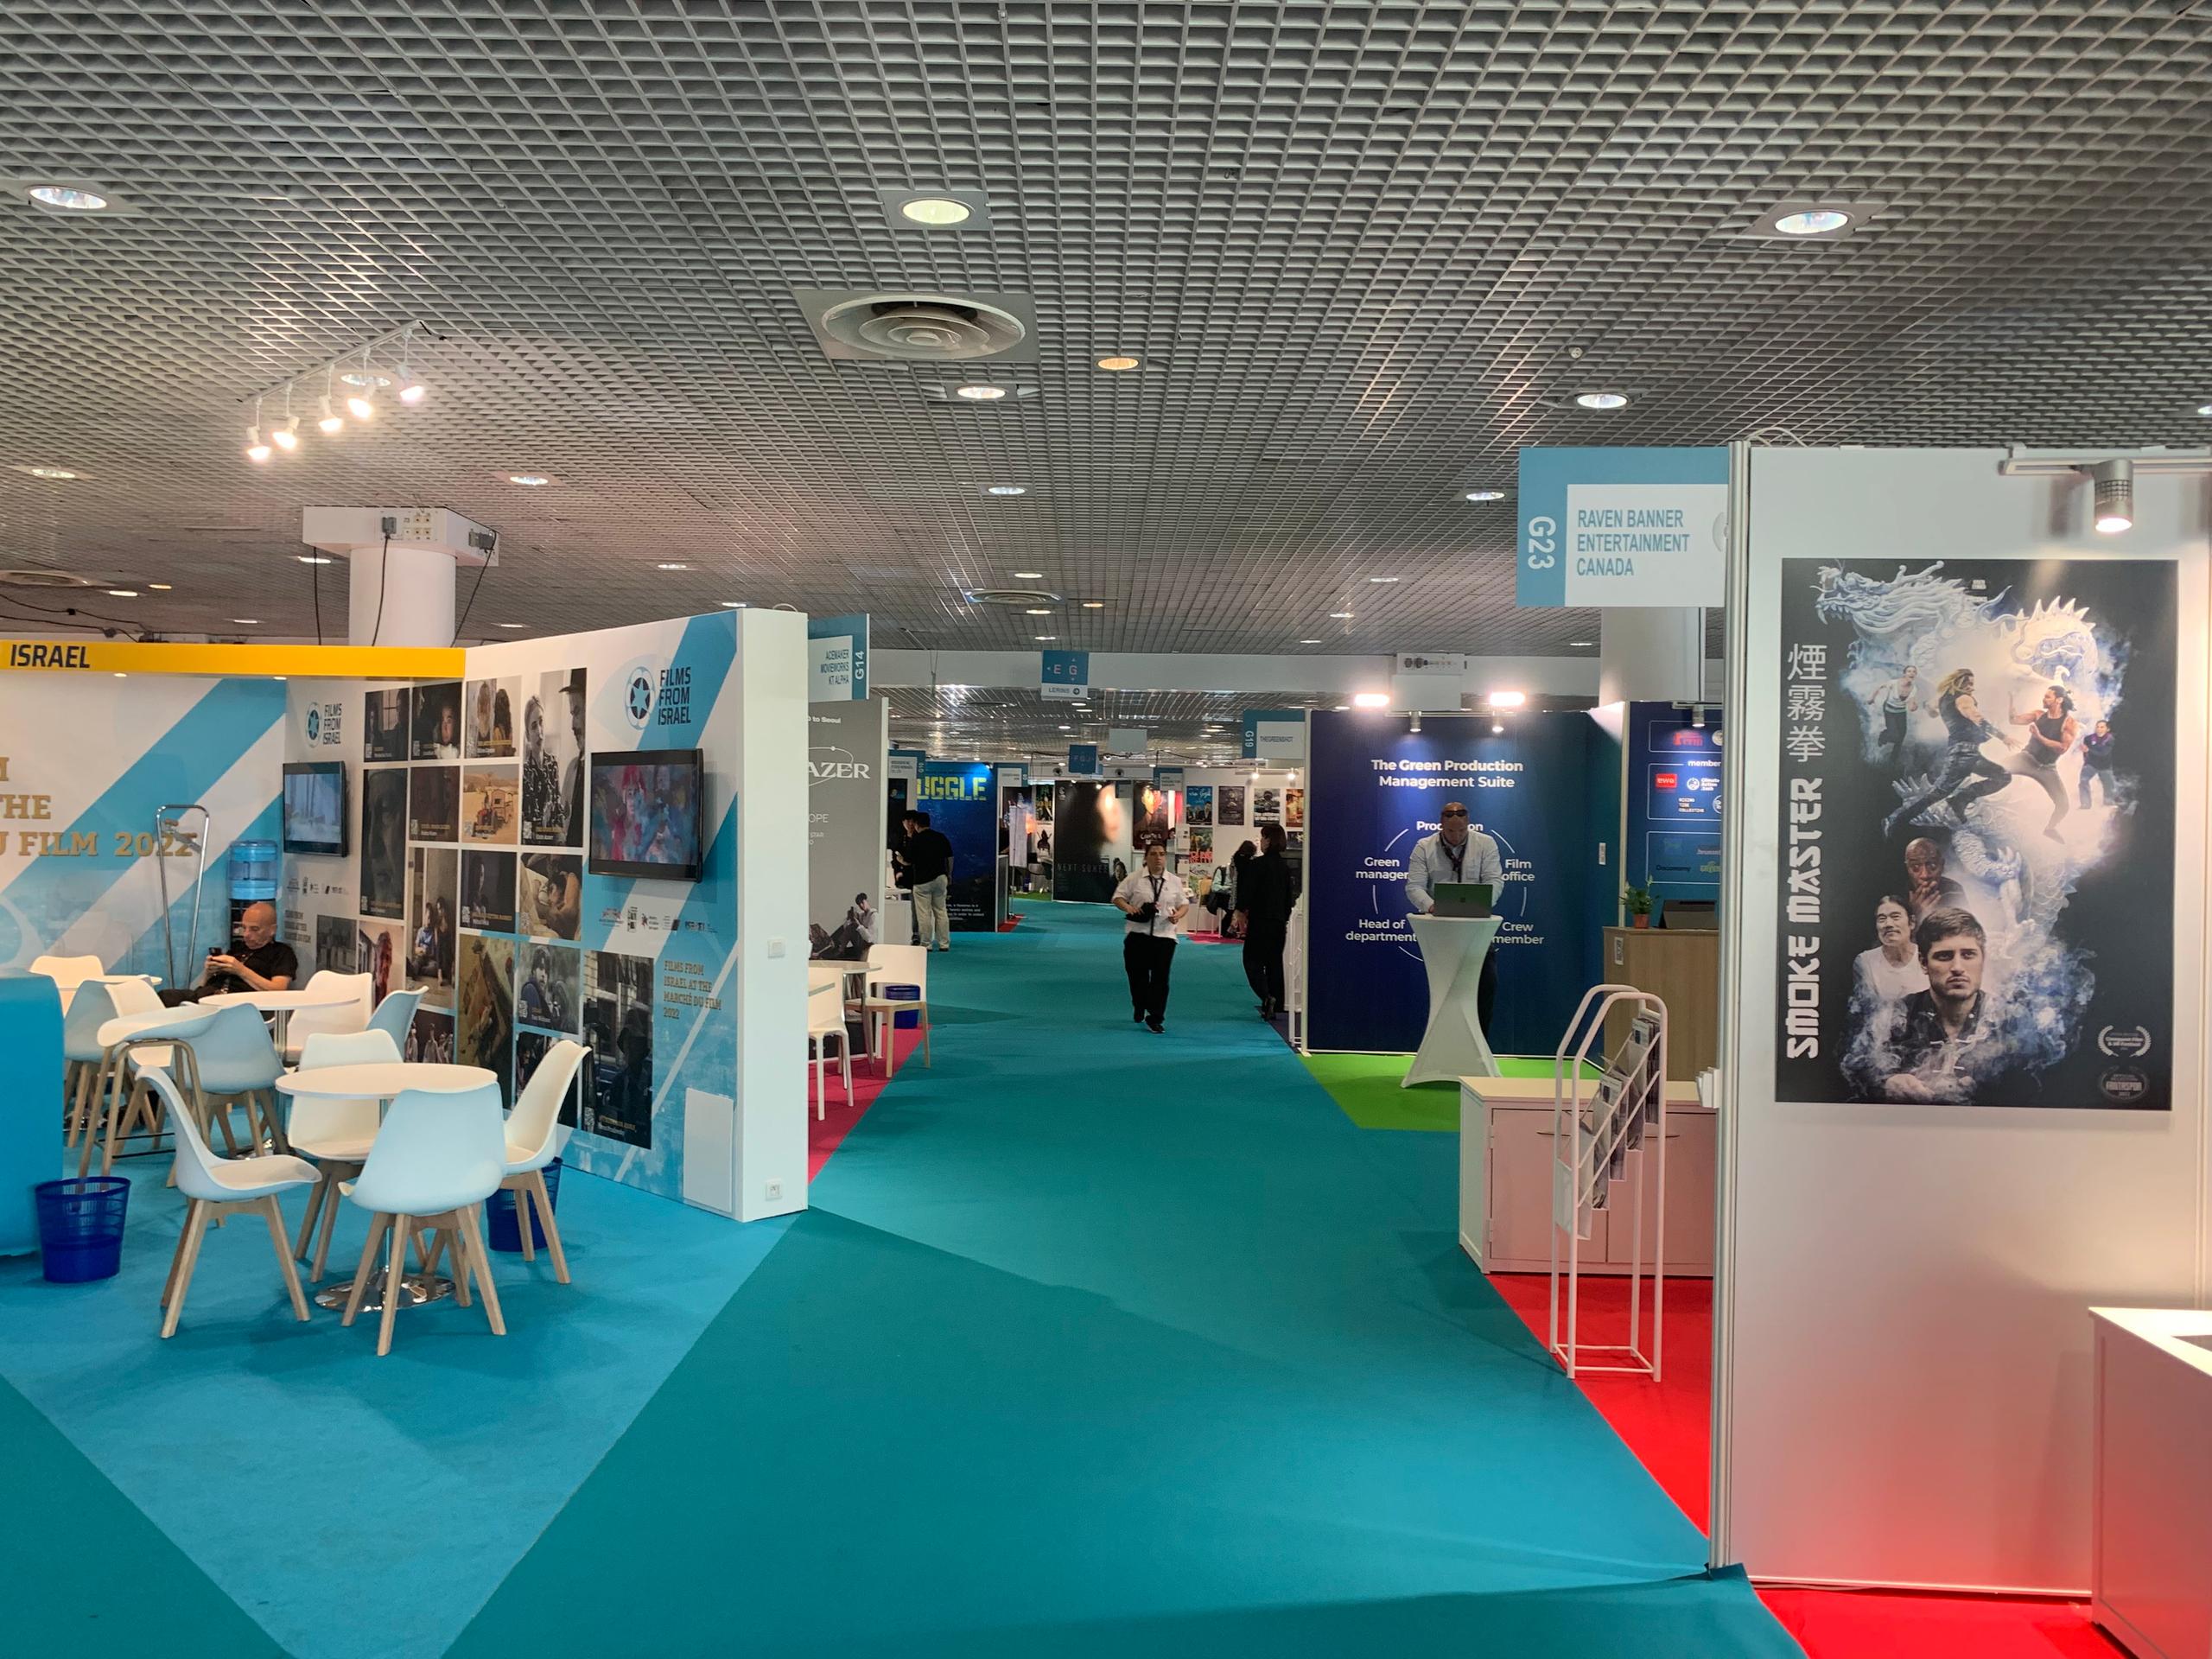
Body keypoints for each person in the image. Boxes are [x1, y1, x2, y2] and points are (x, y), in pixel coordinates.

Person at [1873, 907, 1999, 1103]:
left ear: (1983, 960)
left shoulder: (2010, 1021)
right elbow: (1857, 1069)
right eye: (1944, 956)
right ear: (1924, 963)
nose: (1957, 968)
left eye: (1968, 955)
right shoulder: (1894, 1016)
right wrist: (1885, 1083)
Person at [1404, 799, 1507, 1032]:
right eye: (1451, 831)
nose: (1457, 836)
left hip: (1477, 930)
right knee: (1444, 991)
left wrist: (1480, 903)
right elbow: (1414, 886)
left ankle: (1479, 1044)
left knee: (1486, 985)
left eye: (1462, 830)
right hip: (1440, 930)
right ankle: (1443, 1043)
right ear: (1441, 825)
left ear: (1468, 824)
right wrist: (1432, 906)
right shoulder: (1424, 846)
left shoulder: (1485, 844)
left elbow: (1495, 879)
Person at [1884, 668, 2012, 838]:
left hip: (1970, 754)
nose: (1971, 688)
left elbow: (1931, 709)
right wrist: (2003, 737)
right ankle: (1895, 820)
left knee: (2002, 776)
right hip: (1963, 754)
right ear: (1959, 682)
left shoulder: (1942, 699)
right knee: (1937, 794)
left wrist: (1929, 708)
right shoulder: (1964, 698)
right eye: (1969, 683)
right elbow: (1977, 718)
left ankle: (1959, 800)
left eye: (1972, 684)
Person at [1114, 842, 1192, 1033]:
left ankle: (1156, 1016)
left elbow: (1184, 904)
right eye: (1154, 854)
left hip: (1164, 936)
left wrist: (1178, 915)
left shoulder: (1174, 881)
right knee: (1137, 976)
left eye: (1162, 854)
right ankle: (1139, 1004)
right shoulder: (1134, 879)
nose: (1158, 857)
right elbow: (1118, 897)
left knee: (1161, 978)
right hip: (1138, 935)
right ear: (1146, 858)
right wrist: (1129, 907)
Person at [162, 899, 296, 1004]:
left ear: (272, 930)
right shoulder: (237, 948)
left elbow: (278, 991)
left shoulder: (282, 953)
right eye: (243, 928)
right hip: (208, 996)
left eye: (254, 929)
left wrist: (240, 970)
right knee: (165, 996)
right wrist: (209, 973)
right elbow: (203, 985)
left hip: (239, 1003)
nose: (246, 934)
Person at [1236, 821, 1298, 1017]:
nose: (1260, 841)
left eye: (1262, 837)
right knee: (1274, 963)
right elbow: (1289, 897)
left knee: (1251, 961)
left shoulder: (1258, 865)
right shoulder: (1285, 867)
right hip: (1279, 922)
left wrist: (1240, 911)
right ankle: (1277, 1003)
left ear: (1268, 840)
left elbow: (1248, 892)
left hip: (1260, 921)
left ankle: (1266, 996)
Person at [2003, 683, 2077, 840]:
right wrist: (2011, 700)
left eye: (2047, 696)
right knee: (1995, 767)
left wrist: (2039, 737)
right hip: (2026, 759)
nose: (2044, 699)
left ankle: (2050, 829)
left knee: (2063, 805)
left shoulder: (2069, 723)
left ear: (2059, 700)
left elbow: (2062, 748)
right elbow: (2014, 720)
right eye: (2044, 696)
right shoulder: (2038, 715)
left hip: (2047, 769)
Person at [1852, 894, 1928, 1004]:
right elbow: (1867, 1010)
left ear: (1911, 922)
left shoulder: (1926, 956)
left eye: (1895, 917)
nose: (1888, 924)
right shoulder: (1866, 961)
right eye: (1882, 919)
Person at [904, 809, 956, 951]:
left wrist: (901, 859)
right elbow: (950, 858)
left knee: (924, 913)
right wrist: (949, 874)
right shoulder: (941, 837)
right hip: (940, 878)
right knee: (941, 911)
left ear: (916, 824)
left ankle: (926, 944)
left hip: (922, 881)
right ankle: (944, 943)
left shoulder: (916, 839)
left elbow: (908, 861)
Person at [1902, 838, 1964, 926]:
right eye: (1915, 867)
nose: (1925, 875)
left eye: (1932, 865)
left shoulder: (1954, 890)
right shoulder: (1898, 895)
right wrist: (1914, 916)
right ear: (1908, 868)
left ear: (1942, 865)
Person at [1873, 664, 1919, 766]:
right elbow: (1880, 687)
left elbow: (1911, 705)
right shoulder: (1894, 683)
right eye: (1909, 671)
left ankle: (1893, 760)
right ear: (1904, 674)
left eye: (1914, 672)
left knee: (1901, 736)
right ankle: (1884, 736)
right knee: (1894, 735)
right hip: (1890, 711)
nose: (1911, 673)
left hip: (1901, 712)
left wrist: (1914, 707)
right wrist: (1872, 699)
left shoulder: (1914, 689)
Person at [518, 947, 569, 1029]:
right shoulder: (530, 990)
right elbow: (527, 1026)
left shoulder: (540, 998)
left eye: (547, 972)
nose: (543, 975)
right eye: (541, 968)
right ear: (533, 970)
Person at [2077, 717, 2114, 808]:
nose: (2099, 729)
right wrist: (2086, 761)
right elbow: (2085, 753)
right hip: (2091, 764)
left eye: (2102, 727)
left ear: (2107, 729)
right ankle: (2085, 803)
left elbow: (2103, 753)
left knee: (2108, 783)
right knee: (2083, 781)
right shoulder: (2088, 739)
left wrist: (2089, 750)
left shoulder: (2110, 739)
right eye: (2097, 727)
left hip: (2105, 766)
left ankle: (2108, 802)